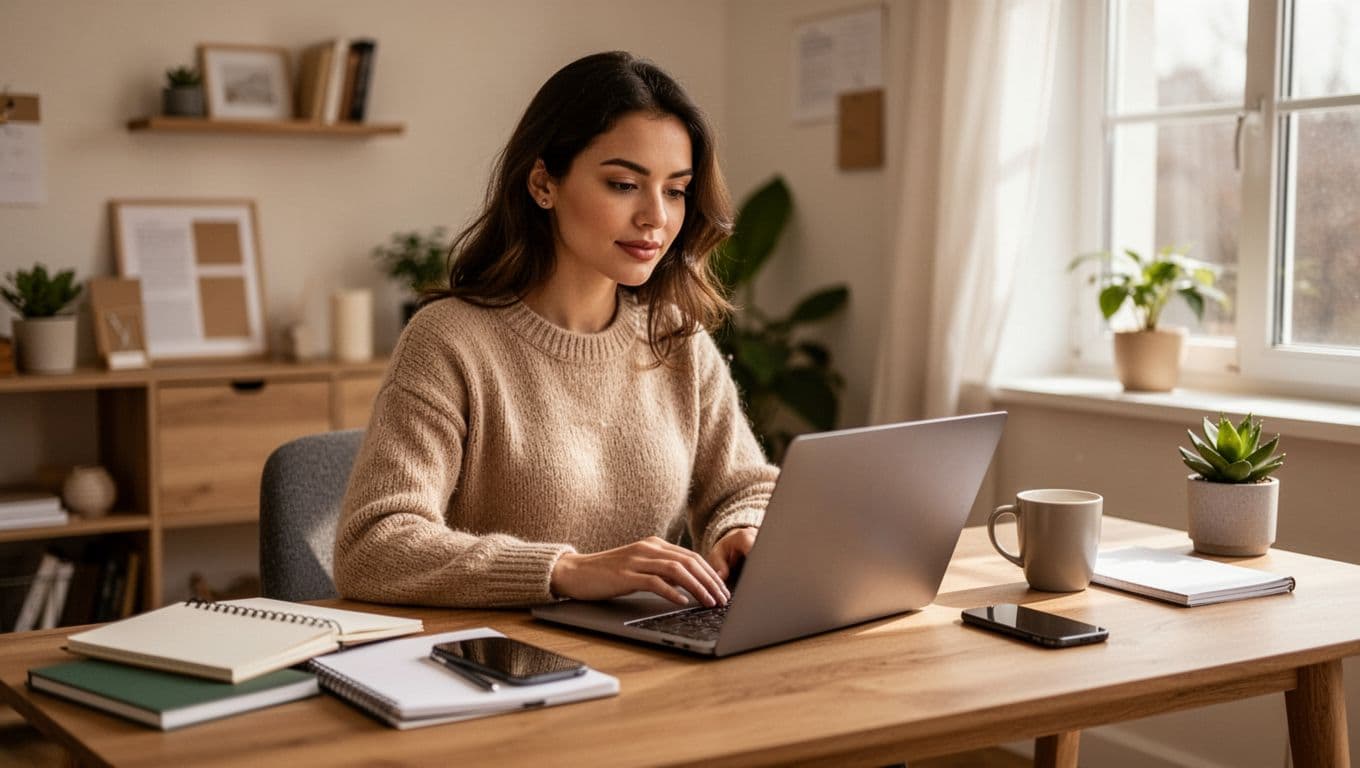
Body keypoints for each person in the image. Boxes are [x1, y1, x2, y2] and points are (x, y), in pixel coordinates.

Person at [333, 51, 778, 610]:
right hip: (497, 671)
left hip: (648, 666)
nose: (656, 218)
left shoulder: (676, 339)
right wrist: (564, 571)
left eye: (675, 190)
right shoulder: (450, 341)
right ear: (544, 182)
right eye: (623, 184)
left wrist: (742, 529)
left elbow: (744, 486)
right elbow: (371, 546)